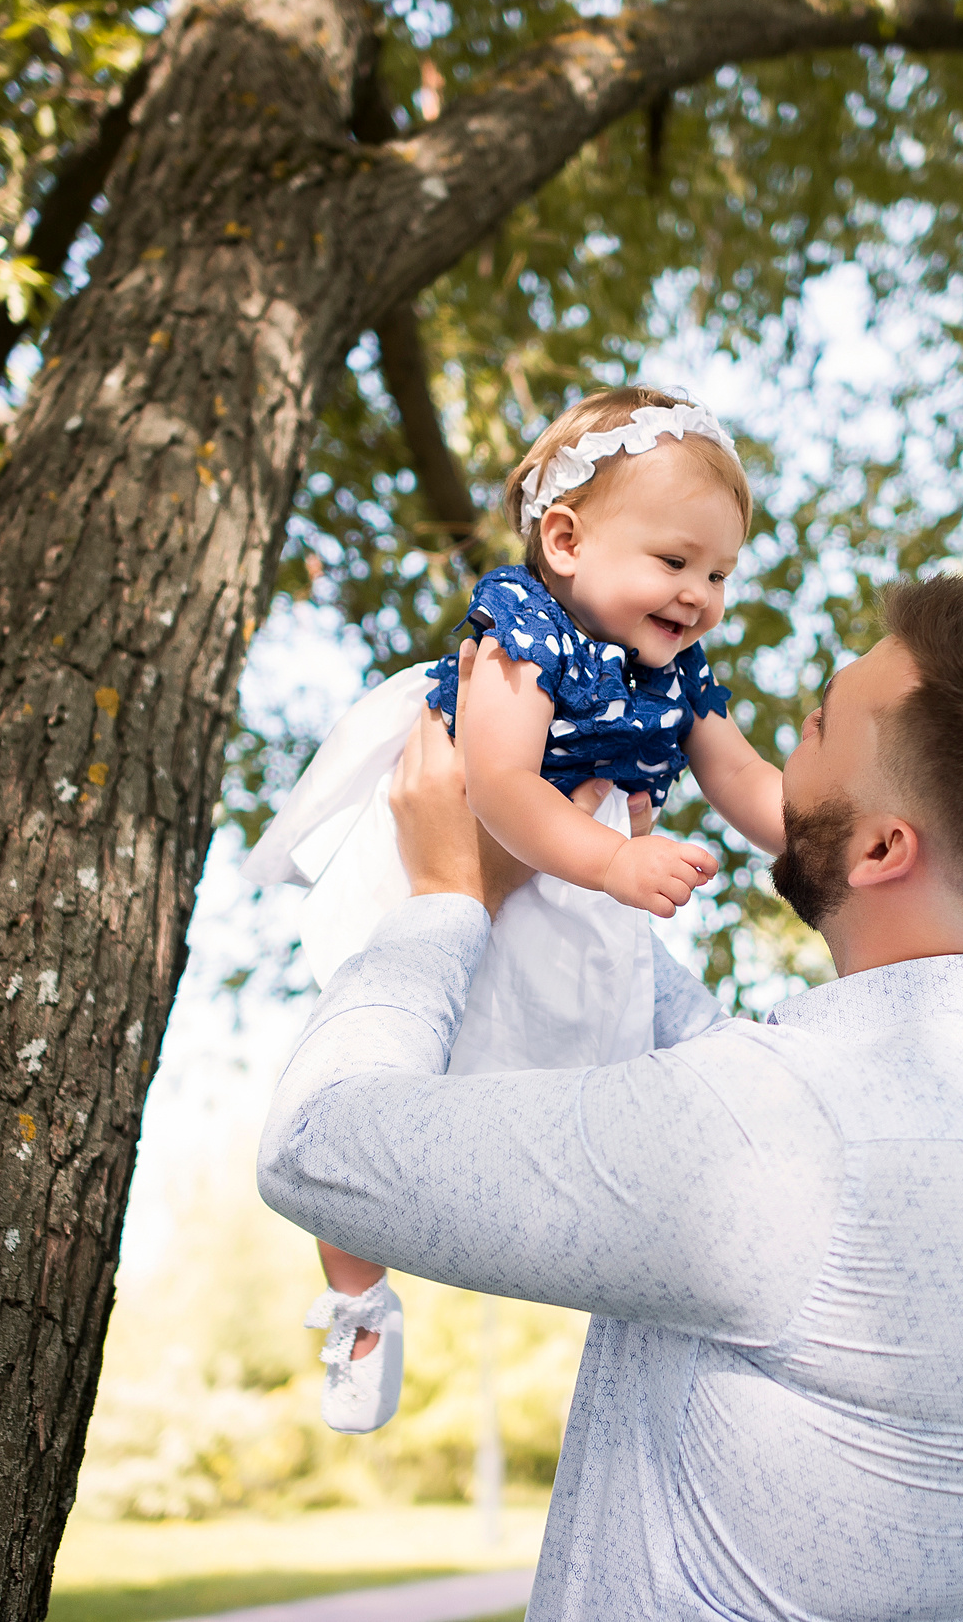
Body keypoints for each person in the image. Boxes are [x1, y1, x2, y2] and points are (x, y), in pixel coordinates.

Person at [258, 572, 963, 1620]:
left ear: (880, 848)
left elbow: (315, 1144)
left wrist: (444, 903)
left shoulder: (786, 1130)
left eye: (820, 727)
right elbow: (712, 1080)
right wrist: (567, 876)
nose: (783, 739)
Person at [246, 388, 785, 1433]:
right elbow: (494, 782)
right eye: (676, 562)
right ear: (566, 539)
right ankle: (357, 1301)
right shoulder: (519, 629)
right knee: (384, 1071)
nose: (701, 594)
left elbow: (740, 772)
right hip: (448, 854)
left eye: (719, 573)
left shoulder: (677, 668)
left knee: (565, 1055)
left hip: (561, 876)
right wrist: (616, 866)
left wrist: (820, 833)